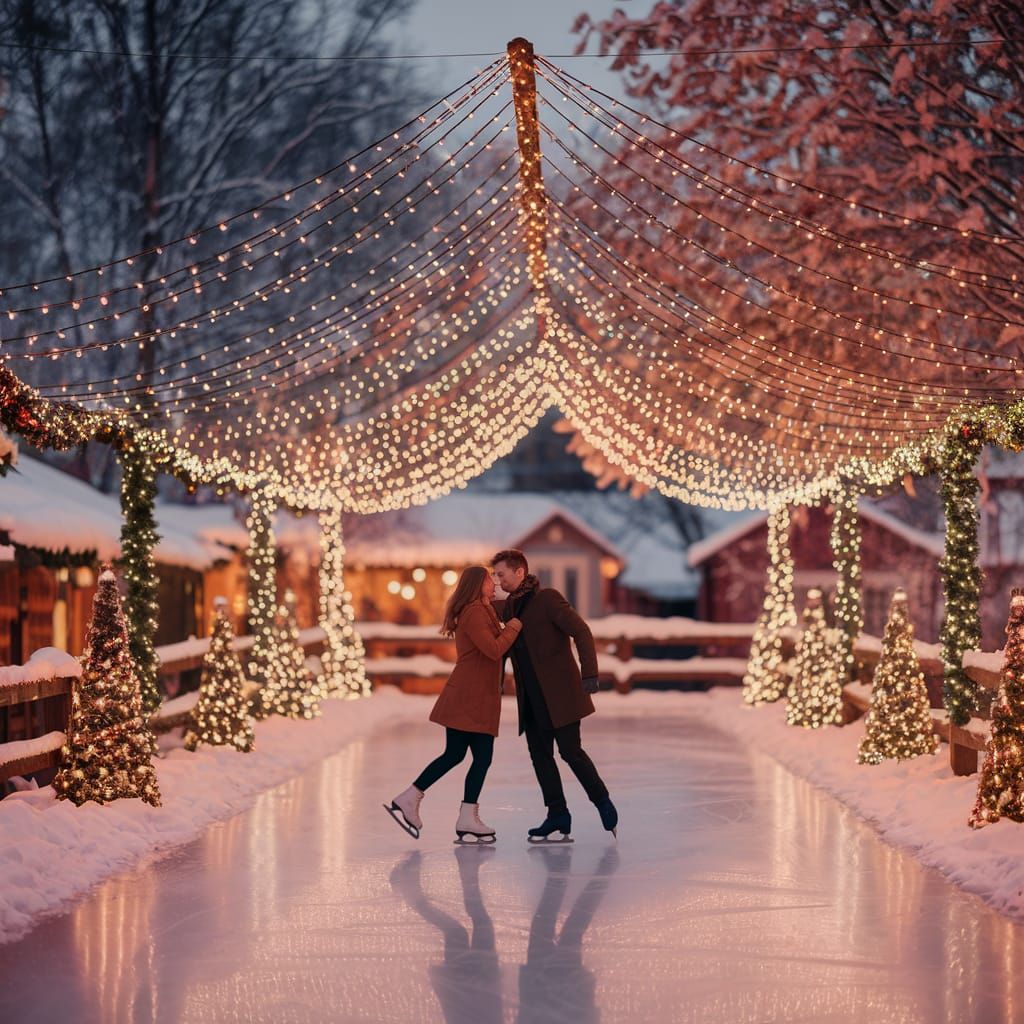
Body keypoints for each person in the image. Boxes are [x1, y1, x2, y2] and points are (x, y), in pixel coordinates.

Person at [384, 565, 522, 843]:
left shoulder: (482, 610)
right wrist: (515, 626)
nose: (494, 582)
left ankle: (416, 799)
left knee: (459, 755)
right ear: (477, 584)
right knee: (475, 757)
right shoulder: (474, 612)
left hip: (475, 696)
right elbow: (493, 649)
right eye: (489, 579)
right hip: (470, 697)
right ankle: (456, 814)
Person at [491, 549, 618, 842]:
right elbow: (501, 649)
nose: (498, 580)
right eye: (495, 576)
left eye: (501, 574)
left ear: (519, 572)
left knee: (571, 752)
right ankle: (557, 813)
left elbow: (581, 631)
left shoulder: (547, 599)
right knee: (540, 757)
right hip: (531, 699)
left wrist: (589, 674)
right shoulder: (509, 609)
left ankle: (602, 801)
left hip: (560, 696)